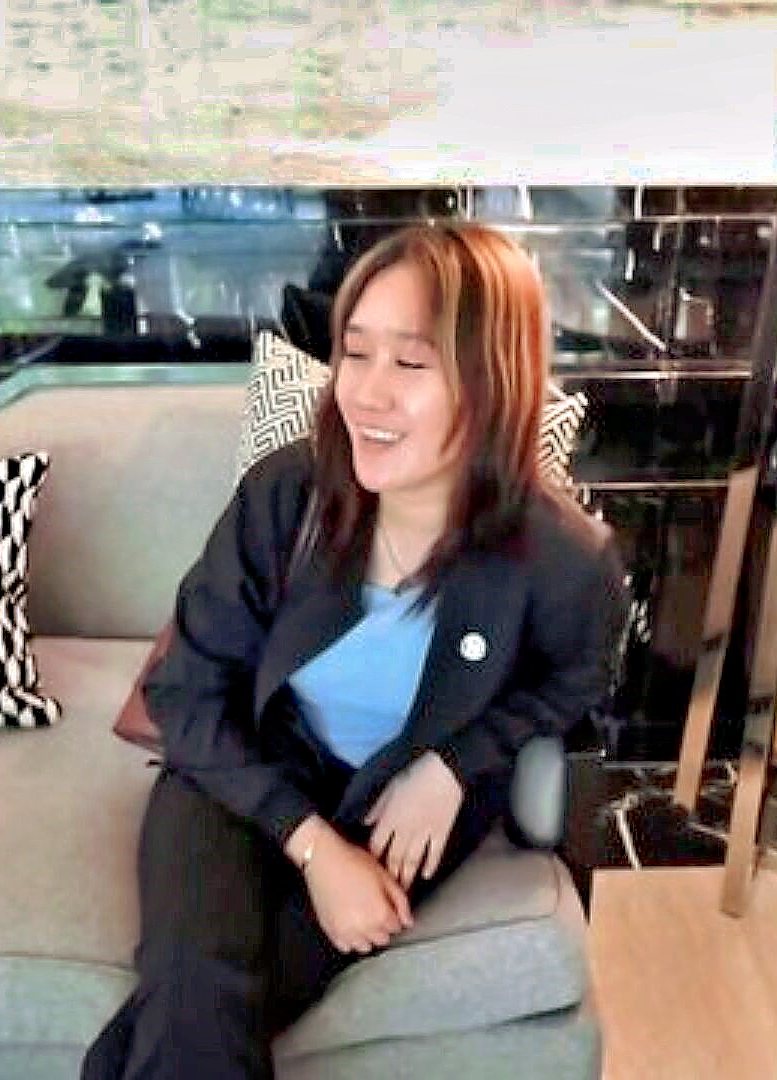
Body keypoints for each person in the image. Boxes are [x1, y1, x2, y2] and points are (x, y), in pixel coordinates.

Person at [80, 222, 628, 1080]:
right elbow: (185, 692)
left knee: (173, 1034)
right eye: (356, 353)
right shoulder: (286, 495)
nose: (366, 394)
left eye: (409, 363)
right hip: (236, 773)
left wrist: (455, 765)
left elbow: (579, 676)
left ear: (493, 381)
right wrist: (313, 847)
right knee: (201, 988)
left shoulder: (564, 559)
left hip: (392, 807)